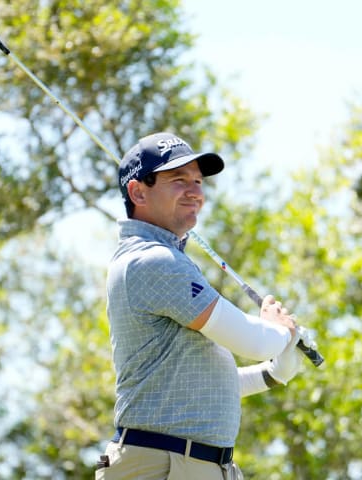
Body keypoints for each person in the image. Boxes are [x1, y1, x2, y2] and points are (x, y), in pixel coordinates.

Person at [95, 132, 305, 480]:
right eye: (178, 180)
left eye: (197, 181)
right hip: (163, 465)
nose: (195, 191)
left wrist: (271, 373)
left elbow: (198, 384)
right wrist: (281, 330)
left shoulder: (163, 259)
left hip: (195, 466)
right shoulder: (151, 260)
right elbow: (254, 342)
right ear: (137, 192)